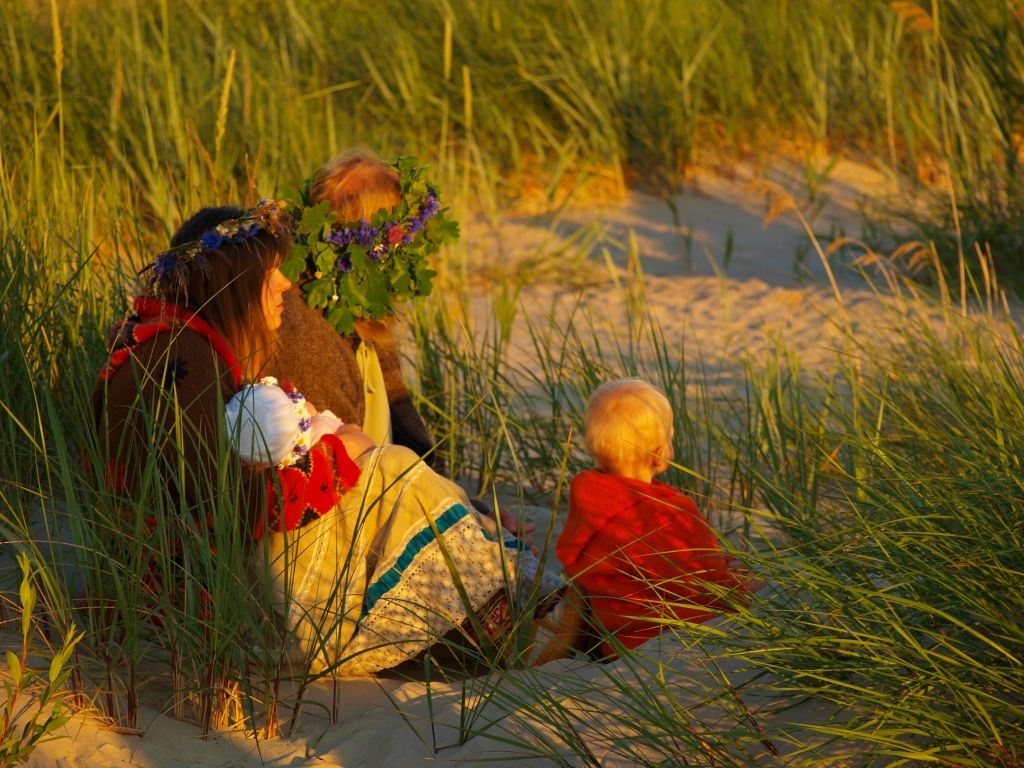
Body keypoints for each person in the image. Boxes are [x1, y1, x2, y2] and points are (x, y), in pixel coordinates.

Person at [94, 201, 559, 677]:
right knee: (388, 469)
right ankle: (507, 619)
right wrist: (341, 456)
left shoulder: (174, 339)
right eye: (271, 274)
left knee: (387, 469)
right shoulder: (186, 360)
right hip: (192, 589)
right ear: (231, 285)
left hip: (190, 561)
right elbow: (236, 505)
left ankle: (502, 595)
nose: (285, 285)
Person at [556, 378, 756, 658]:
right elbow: (706, 585)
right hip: (666, 640)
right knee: (760, 589)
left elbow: (574, 559)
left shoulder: (588, 497)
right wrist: (741, 586)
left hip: (615, 640)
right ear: (661, 454)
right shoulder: (670, 511)